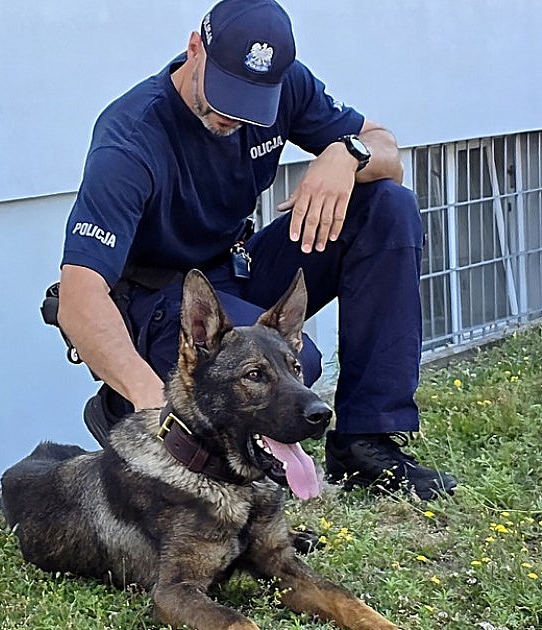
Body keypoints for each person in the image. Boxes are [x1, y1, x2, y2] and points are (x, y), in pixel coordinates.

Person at [57, 0, 457, 500]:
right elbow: (79, 298)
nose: (233, 114)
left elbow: (387, 151)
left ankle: (365, 444)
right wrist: (152, 406)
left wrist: (346, 153)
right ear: (195, 48)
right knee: (294, 367)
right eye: (226, 94)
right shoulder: (129, 140)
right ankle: (126, 404)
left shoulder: (288, 85)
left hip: (234, 267)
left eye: (251, 102)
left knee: (386, 206)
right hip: (157, 297)